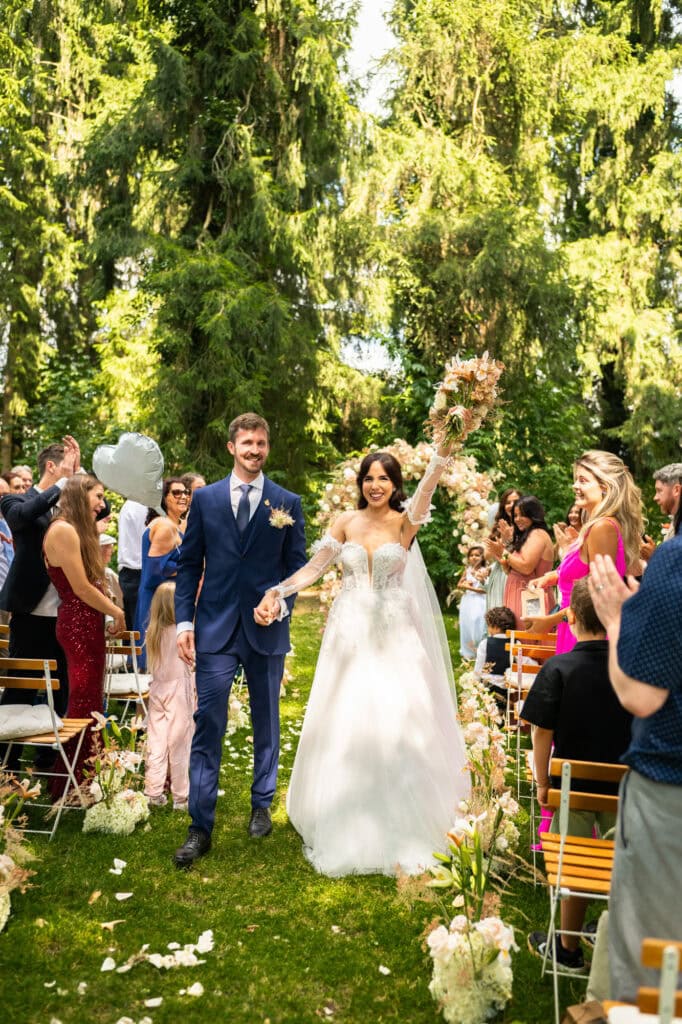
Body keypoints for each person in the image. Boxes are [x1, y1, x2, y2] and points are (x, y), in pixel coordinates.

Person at [255, 444, 470, 877]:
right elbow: (314, 568)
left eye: (384, 479)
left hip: (394, 633)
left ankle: (409, 815)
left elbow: (427, 490)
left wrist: (442, 453)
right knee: (347, 714)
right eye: (369, 478)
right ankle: (343, 809)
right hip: (350, 633)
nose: (375, 485)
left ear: (395, 485)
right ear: (361, 483)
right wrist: (278, 590)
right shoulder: (346, 522)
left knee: (400, 715)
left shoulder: (404, 523)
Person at [173, 412, 307, 868]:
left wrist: (280, 601)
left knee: (267, 717)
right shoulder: (205, 500)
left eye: (262, 443)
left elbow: (297, 569)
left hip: (266, 628)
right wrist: (184, 624)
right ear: (231, 446)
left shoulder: (287, 501)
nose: (255, 450)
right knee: (208, 721)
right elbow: (189, 564)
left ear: (267, 447)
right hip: (214, 628)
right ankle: (199, 826)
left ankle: (261, 803)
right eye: (247, 442)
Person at [523, 578, 633, 972]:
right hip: (627, 791)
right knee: (617, 860)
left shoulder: (559, 668)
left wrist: (542, 783)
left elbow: (541, 734)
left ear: (569, 618)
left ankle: (567, 948)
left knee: (573, 859)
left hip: (572, 788)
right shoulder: (635, 668)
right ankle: (617, 944)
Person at [589, 547, 682, 1001]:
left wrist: (617, 623)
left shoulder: (676, 560)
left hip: (670, 792)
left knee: (657, 969)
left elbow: (641, 695)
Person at [0, 439, 80, 769]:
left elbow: (100, 510)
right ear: (51, 466)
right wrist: (63, 482)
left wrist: (79, 474)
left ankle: (52, 767)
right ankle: (7, 766)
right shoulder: (15, 499)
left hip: (62, 615)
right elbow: (22, 517)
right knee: (21, 687)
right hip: (31, 613)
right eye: (68, 467)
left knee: (62, 690)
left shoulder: (67, 505)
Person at [43, 475, 125, 793]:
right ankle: (71, 782)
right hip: (78, 624)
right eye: (98, 496)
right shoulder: (62, 530)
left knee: (90, 701)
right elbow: (80, 588)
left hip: (87, 622)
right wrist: (115, 611)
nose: (102, 504)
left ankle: (88, 775)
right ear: (79, 495)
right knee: (82, 703)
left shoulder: (73, 529)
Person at [526, 451, 643, 653]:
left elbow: (598, 594)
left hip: (590, 635)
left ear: (604, 488)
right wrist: (553, 577)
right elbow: (585, 573)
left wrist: (550, 620)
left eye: (583, 481)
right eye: (575, 480)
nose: (575, 486)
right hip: (576, 627)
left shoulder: (603, 528)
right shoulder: (596, 526)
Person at [144, 582, 194, 811]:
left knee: (157, 743)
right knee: (179, 745)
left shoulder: (152, 632)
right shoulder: (183, 634)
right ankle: (181, 796)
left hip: (157, 691)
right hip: (179, 692)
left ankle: (153, 792)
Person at [134, 479, 188, 670]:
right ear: (164, 498)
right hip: (158, 601)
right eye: (176, 492)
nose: (183, 496)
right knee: (160, 665)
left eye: (186, 492)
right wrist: (190, 566)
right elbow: (156, 569)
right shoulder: (165, 526)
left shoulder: (176, 524)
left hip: (169, 597)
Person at [485, 495, 554, 627]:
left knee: (527, 642)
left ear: (533, 514)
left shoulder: (538, 534)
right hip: (518, 593)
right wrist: (503, 560)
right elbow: (512, 568)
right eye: (515, 515)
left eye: (522, 515)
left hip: (531, 598)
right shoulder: (526, 535)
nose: (517, 519)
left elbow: (526, 567)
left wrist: (503, 552)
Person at [473, 605, 517, 706]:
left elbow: (478, 668)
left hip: (487, 688)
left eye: (489, 626)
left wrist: (474, 684)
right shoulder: (516, 643)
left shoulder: (485, 643)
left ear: (496, 627)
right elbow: (525, 662)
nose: (488, 629)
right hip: (507, 689)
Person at [117, 498, 148, 630]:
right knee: (141, 630)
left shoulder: (129, 505)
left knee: (134, 631)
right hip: (138, 571)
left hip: (131, 572)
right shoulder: (139, 506)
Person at [640, 462, 682, 561]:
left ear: (676, 490)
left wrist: (654, 557)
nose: (655, 497)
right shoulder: (676, 521)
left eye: (659, 491)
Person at [485, 487, 519, 610]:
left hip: (516, 574)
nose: (511, 505)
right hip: (499, 575)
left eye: (515, 501)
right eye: (508, 502)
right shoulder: (498, 527)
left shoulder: (525, 526)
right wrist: (503, 541)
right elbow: (487, 556)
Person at [456, 545, 488, 660]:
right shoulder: (468, 570)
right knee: (467, 624)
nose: (474, 557)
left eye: (477, 555)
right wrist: (465, 584)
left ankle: (480, 650)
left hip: (479, 601)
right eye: (471, 555)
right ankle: (468, 651)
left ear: (482, 557)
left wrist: (470, 588)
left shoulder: (485, 570)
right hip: (468, 601)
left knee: (478, 623)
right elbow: (459, 584)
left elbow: (484, 590)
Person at [99, 534, 123, 610]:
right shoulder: (107, 573)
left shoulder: (107, 572)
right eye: (109, 547)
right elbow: (122, 601)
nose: (112, 551)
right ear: (100, 550)